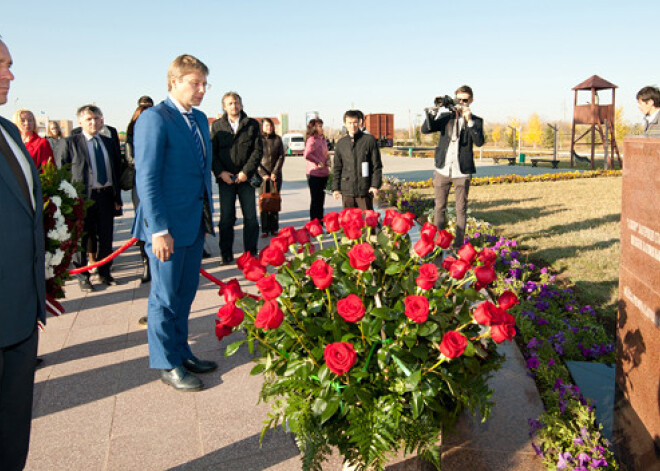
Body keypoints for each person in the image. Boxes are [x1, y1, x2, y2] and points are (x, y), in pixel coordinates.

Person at [132, 54, 216, 392]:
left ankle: (182, 352)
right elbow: (147, 178)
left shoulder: (198, 119)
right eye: (194, 83)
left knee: (186, 293)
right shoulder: (155, 118)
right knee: (164, 297)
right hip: (165, 228)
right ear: (173, 82)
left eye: (204, 84)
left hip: (194, 222)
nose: (201, 90)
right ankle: (166, 361)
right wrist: (159, 230)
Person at [0, 37, 46, 471]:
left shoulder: (10, 131)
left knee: (13, 431)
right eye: (0, 64)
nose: (10, 74)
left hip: (18, 311)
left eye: (10, 64)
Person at [57, 105, 123, 291]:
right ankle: (83, 275)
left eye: (97, 118)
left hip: (105, 196)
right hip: (82, 199)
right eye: (89, 119)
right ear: (80, 122)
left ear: (102, 120)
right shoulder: (70, 143)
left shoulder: (108, 142)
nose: (93, 122)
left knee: (106, 236)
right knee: (81, 239)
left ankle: (104, 272)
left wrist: (117, 197)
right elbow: (61, 173)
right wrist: (66, 201)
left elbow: (116, 171)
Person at [421, 85, 485, 250]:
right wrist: (433, 111)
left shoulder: (476, 120)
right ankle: (439, 242)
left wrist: (469, 121)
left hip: (462, 171)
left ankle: (458, 245)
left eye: (465, 100)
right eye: (459, 99)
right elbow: (425, 129)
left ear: (471, 100)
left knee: (461, 209)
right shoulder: (446, 117)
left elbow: (479, 142)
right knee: (439, 207)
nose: (462, 103)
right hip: (443, 169)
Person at [211, 91, 262, 264]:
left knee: (251, 218)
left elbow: (257, 151)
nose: (234, 106)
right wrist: (221, 173)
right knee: (226, 218)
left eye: (236, 102)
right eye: (230, 103)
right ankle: (226, 253)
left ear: (241, 104)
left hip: (245, 179)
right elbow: (213, 153)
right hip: (226, 180)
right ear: (224, 107)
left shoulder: (252, 125)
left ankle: (251, 252)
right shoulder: (217, 126)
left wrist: (246, 172)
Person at [125, 95, 154, 288]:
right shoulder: (131, 133)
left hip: (159, 182)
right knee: (143, 222)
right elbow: (130, 159)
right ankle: (146, 262)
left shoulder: (158, 130)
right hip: (140, 181)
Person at [332, 110, 382, 210]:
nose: (352, 126)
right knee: (349, 223)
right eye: (349, 123)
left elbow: (376, 165)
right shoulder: (341, 143)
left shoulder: (369, 140)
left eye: (355, 122)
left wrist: (375, 185)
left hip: (364, 190)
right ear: (345, 124)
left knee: (367, 222)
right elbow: (337, 167)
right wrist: (336, 188)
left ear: (359, 122)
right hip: (347, 191)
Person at [258, 117, 285, 237]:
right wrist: (263, 174)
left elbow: (281, 157)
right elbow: (255, 158)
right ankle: (264, 228)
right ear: (262, 127)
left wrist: (275, 172)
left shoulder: (277, 139)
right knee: (264, 202)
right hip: (262, 176)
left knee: (274, 201)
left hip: (275, 176)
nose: (269, 128)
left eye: (270, 126)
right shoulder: (258, 140)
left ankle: (274, 228)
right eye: (266, 126)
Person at [304, 117, 329, 222]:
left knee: (321, 200)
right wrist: (317, 161)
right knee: (315, 200)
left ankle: (320, 222)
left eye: (321, 126)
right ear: (313, 128)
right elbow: (307, 154)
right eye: (319, 126)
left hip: (324, 173)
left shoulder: (323, 139)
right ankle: (314, 223)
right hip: (314, 174)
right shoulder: (312, 139)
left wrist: (327, 161)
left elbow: (325, 154)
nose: (321, 128)